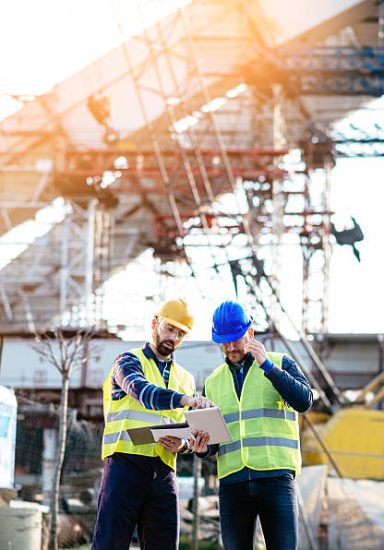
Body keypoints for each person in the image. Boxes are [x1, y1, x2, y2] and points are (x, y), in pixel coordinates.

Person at [190, 300, 313, 550]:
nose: (231, 346)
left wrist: (268, 367)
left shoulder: (279, 362)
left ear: (251, 333)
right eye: (224, 341)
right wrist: (203, 449)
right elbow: (214, 441)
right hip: (232, 483)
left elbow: (304, 401)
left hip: (276, 479)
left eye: (236, 338)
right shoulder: (213, 381)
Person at [92, 298, 213, 550]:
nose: (174, 337)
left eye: (181, 333)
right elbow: (144, 393)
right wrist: (186, 400)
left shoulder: (185, 378)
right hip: (125, 464)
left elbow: (186, 430)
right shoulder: (126, 361)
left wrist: (183, 446)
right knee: (110, 544)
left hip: (164, 472)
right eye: (170, 328)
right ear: (154, 323)